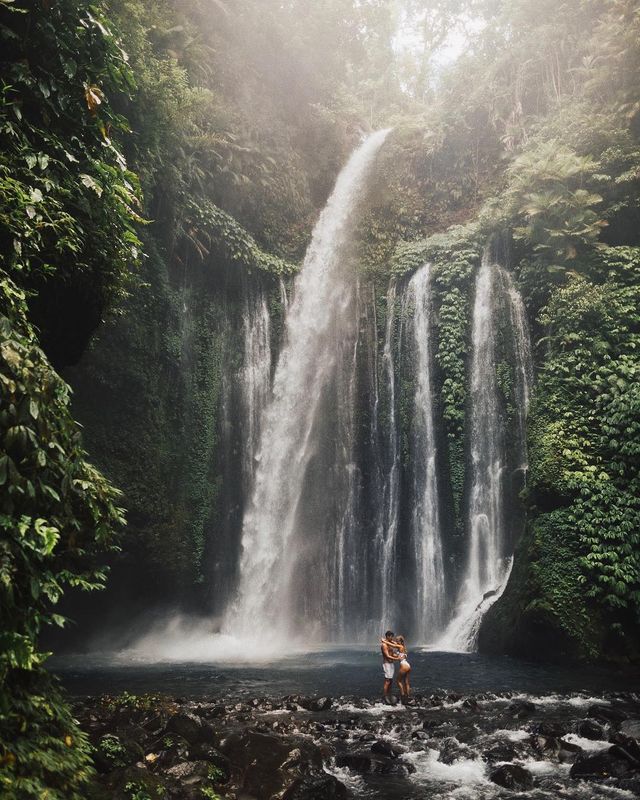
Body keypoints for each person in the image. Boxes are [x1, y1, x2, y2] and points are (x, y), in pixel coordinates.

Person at [380, 629, 403, 703]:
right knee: (387, 680)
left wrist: (396, 655)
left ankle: (389, 694)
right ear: (387, 636)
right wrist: (397, 658)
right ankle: (385, 696)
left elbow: (393, 650)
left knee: (391, 680)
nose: (392, 638)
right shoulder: (384, 645)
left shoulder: (389, 643)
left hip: (391, 664)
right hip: (387, 664)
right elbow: (387, 656)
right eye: (391, 637)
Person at [394, 635, 412, 702]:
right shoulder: (403, 648)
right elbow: (398, 656)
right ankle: (408, 696)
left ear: (400, 641)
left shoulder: (400, 646)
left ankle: (403, 696)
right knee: (406, 682)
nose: (396, 642)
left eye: (397, 641)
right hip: (408, 665)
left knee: (398, 681)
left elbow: (393, 644)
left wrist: (385, 641)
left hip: (404, 665)